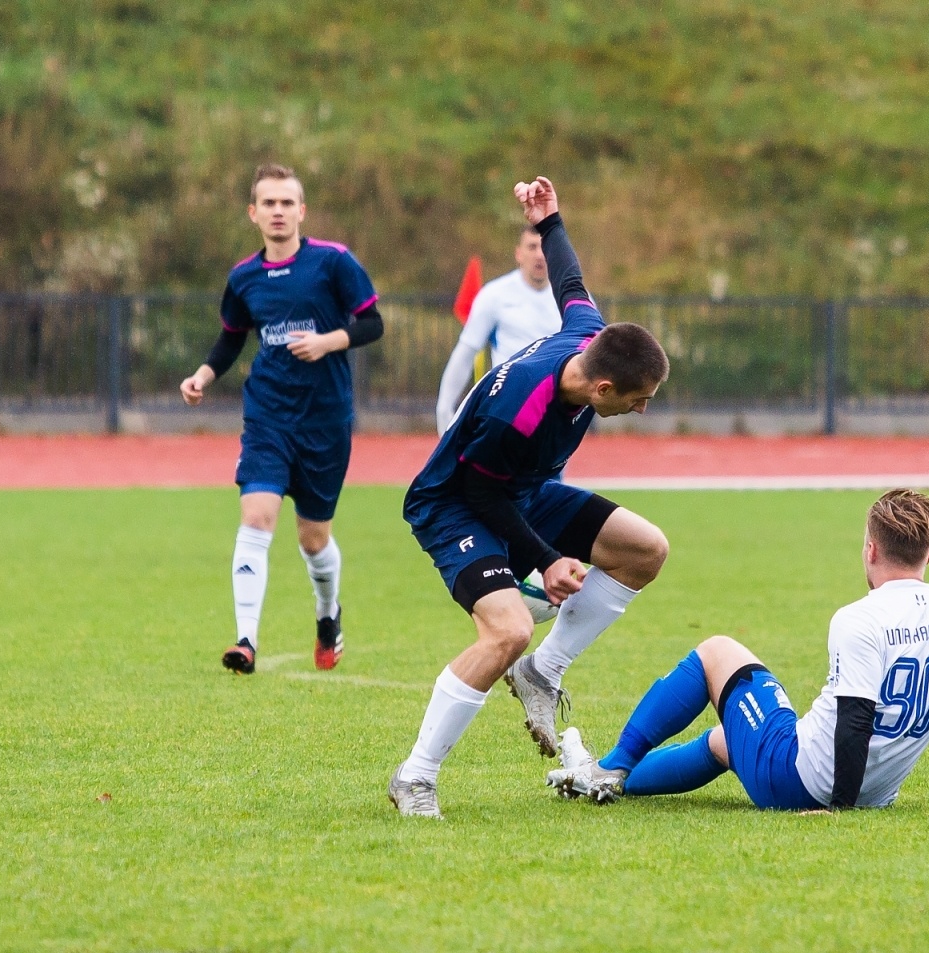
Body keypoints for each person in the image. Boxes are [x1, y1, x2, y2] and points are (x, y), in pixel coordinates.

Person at [388, 176, 671, 819]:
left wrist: (550, 221)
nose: (643, 407)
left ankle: (544, 674)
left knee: (644, 550)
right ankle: (417, 775)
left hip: (523, 489)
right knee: (508, 629)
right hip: (457, 503)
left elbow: (571, 285)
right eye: (637, 399)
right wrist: (546, 560)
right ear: (601, 388)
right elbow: (482, 495)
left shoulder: (587, 334)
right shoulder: (522, 409)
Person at [546, 490, 929, 813]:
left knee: (718, 651)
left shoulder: (859, 617)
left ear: (870, 550)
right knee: (726, 742)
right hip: (877, 794)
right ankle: (612, 779)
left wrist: (836, 810)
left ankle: (607, 769)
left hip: (801, 779)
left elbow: (856, 718)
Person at [180, 164, 384, 673]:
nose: (277, 211)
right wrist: (204, 376)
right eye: (268, 203)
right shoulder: (244, 277)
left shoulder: (333, 263)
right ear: (253, 213)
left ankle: (327, 614)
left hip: (325, 421)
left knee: (313, 539)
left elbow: (372, 323)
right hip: (268, 416)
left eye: (286, 203)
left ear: (301, 211)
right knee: (256, 516)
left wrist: (327, 341)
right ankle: (245, 640)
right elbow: (231, 338)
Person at [434, 226, 561, 434]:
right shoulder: (494, 295)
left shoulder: (572, 299)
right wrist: (444, 408)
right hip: (507, 411)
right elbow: (465, 354)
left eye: (545, 247)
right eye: (532, 247)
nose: (540, 254)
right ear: (519, 254)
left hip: (553, 416)